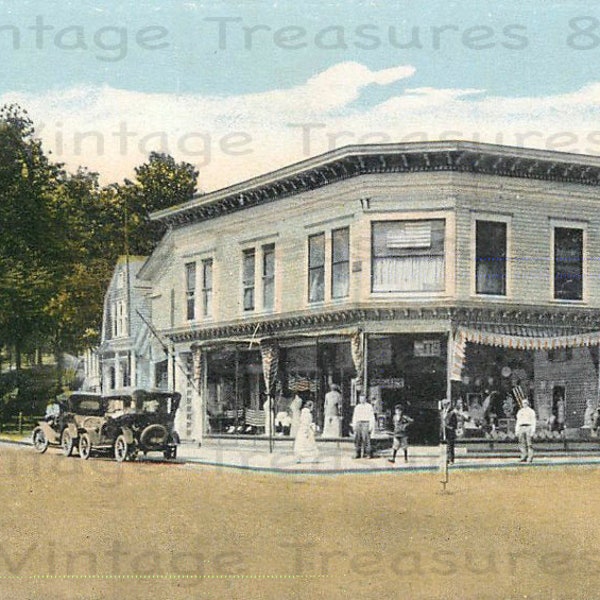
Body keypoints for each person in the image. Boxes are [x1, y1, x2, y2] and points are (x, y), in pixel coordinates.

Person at [351, 394, 375, 459]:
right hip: (358, 423)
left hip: (366, 423)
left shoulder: (369, 406)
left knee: (366, 439)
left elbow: (371, 417)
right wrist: (354, 425)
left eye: (363, 398)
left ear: (365, 399)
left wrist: (371, 426)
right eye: (360, 398)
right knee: (357, 439)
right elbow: (354, 416)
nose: (362, 400)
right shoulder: (357, 407)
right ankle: (357, 453)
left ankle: (368, 453)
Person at [516, 398, 536, 463]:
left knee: (529, 443)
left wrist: (533, 430)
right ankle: (523, 456)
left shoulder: (531, 411)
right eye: (523, 403)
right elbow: (518, 421)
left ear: (528, 404)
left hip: (528, 427)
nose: (524, 404)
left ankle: (530, 457)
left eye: (525, 403)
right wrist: (517, 430)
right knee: (522, 443)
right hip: (521, 427)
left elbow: (533, 421)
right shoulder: (520, 411)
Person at [442, 399, 458, 465]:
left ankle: (451, 459)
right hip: (444, 431)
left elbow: (455, 423)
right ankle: (447, 458)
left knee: (450, 446)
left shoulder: (452, 413)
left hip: (450, 431)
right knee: (446, 446)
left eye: (446, 404)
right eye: (443, 404)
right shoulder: (443, 412)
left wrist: (450, 427)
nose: (444, 406)